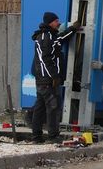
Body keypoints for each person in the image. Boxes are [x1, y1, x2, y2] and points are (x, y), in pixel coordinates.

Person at [30, 12, 80, 144]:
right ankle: (52, 136)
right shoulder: (46, 37)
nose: (59, 23)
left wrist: (73, 29)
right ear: (50, 22)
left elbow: (61, 39)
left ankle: (36, 137)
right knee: (53, 107)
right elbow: (45, 60)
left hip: (43, 79)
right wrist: (54, 77)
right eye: (56, 21)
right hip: (47, 80)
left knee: (39, 108)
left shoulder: (50, 36)